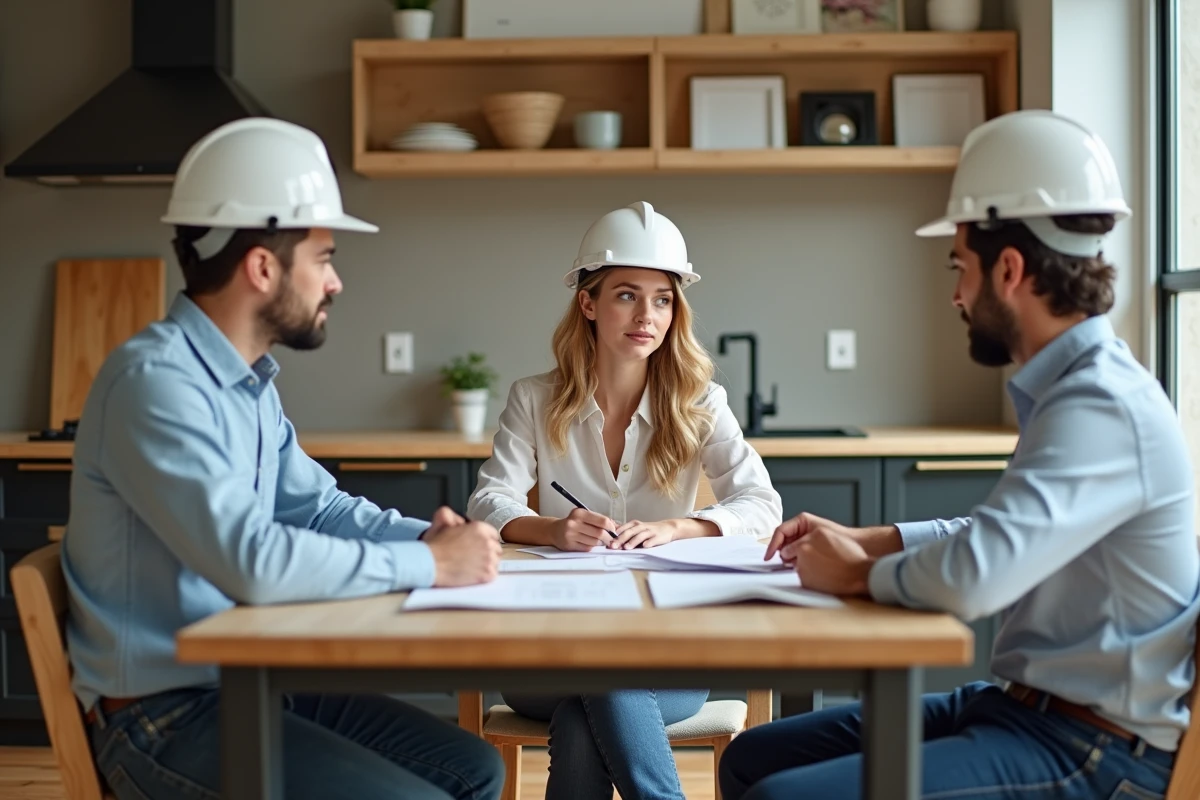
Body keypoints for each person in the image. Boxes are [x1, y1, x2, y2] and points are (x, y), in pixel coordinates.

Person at [718, 108, 1200, 800]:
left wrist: (855, 573)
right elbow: (994, 536)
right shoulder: (1073, 389)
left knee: (779, 797)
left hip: (1091, 749)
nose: (955, 296)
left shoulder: (1100, 404)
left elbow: (977, 577)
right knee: (753, 759)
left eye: (961, 269)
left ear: (1009, 270)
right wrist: (871, 539)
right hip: (1023, 708)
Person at [61, 118, 505, 800]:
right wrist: (432, 566)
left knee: (474, 769)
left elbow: (318, 508)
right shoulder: (156, 383)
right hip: (163, 716)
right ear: (263, 268)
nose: (335, 282)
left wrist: (430, 540)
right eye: (323, 258)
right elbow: (252, 563)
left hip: (247, 680)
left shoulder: (248, 384)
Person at [466, 200, 783, 800]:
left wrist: (680, 528)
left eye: (662, 299)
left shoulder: (700, 402)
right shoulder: (533, 399)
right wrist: (551, 530)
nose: (647, 315)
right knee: (603, 680)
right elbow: (488, 499)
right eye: (627, 295)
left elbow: (761, 505)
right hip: (546, 652)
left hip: (666, 655)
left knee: (586, 711)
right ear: (588, 303)